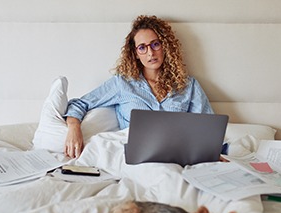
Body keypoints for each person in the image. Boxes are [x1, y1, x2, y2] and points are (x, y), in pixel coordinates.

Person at [63, 15, 213, 158]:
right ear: (135, 53)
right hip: (137, 156)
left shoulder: (187, 85)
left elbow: (207, 127)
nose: (150, 53)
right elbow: (80, 104)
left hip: (177, 155)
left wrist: (209, 152)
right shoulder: (122, 83)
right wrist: (74, 128)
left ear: (165, 46)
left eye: (156, 44)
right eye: (142, 47)